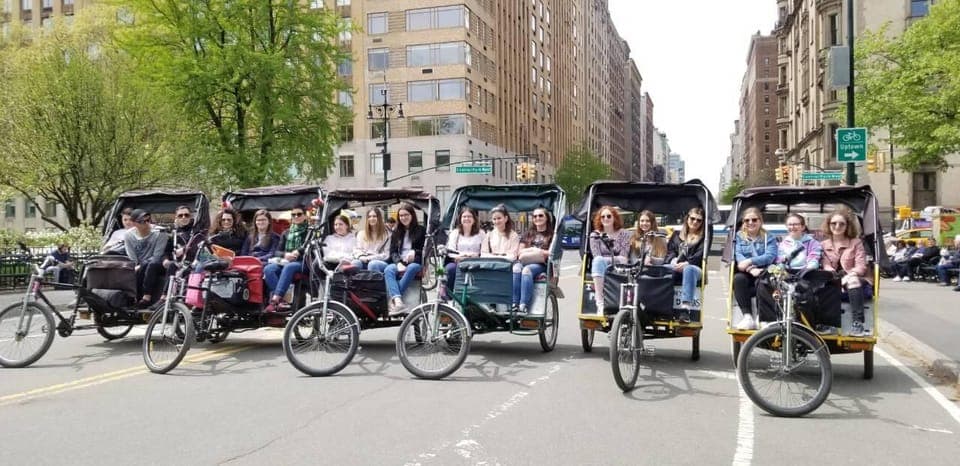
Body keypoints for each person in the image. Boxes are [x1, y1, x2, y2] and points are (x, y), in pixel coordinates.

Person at [756, 213, 824, 330]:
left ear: (803, 227)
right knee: (763, 281)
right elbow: (780, 261)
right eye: (790, 224)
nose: (793, 227)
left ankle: (810, 325)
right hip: (786, 273)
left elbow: (814, 260)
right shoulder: (782, 244)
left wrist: (805, 270)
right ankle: (767, 319)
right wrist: (780, 269)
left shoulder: (813, 243)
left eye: (796, 224)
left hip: (805, 273)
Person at [367, 203, 426, 316]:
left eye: (406, 215)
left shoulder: (421, 230)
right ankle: (398, 302)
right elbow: (393, 251)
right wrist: (398, 262)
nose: (403, 218)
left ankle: (392, 299)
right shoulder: (396, 232)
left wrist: (416, 252)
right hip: (399, 261)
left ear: (412, 215)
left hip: (414, 262)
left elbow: (426, 249)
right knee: (389, 269)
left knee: (413, 267)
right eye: (401, 215)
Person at [820, 209, 871, 336]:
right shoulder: (823, 244)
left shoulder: (856, 242)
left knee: (852, 281)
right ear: (828, 225)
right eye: (834, 223)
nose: (837, 226)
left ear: (847, 226)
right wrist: (833, 275)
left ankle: (858, 323)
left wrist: (848, 277)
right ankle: (826, 323)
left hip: (854, 277)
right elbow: (825, 264)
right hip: (833, 277)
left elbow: (861, 267)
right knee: (821, 283)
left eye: (842, 224)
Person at [732, 207, 778, 330]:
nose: (750, 223)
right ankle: (747, 316)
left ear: (760, 221)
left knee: (763, 281)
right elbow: (739, 257)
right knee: (738, 279)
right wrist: (750, 269)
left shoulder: (769, 237)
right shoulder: (738, 237)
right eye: (747, 220)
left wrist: (750, 261)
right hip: (747, 272)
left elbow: (769, 256)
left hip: (763, 271)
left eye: (754, 220)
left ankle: (761, 317)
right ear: (743, 222)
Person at [263, 206, 310, 312]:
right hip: (286, 261)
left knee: (289, 267)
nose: (296, 217)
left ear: (305, 216)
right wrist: (285, 255)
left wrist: (298, 252)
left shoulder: (309, 231)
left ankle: (275, 299)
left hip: (303, 262)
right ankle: (282, 301)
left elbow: (309, 245)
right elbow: (277, 251)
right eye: (294, 215)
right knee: (268, 269)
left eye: (299, 214)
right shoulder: (286, 232)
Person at [587, 206, 633, 313]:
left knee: (600, 261)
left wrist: (608, 259)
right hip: (601, 267)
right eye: (603, 217)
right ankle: (600, 302)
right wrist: (612, 259)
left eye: (608, 216)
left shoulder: (624, 234)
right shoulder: (595, 235)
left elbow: (624, 257)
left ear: (614, 218)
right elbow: (596, 255)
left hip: (620, 267)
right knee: (598, 261)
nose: (606, 219)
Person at [666, 207, 706, 323]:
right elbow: (670, 252)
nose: (695, 222)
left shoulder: (703, 237)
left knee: (688, 269)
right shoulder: (676, 235)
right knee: (660, 269)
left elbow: (700, 254)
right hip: (675, 266)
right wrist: (673, 261)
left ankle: (685, 309)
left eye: (699, 220)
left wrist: (687, 263)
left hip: (694, 268)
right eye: (692, 218)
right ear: (687, 218)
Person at [124, 209, 169, 308]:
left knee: (149, 264)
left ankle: (146, 297)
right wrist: (135, 265)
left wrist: (141, 265)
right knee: (138, 267)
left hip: (157, 262)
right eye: (142, 221)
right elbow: (131, 256)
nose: (146, 223)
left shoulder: (160, 232)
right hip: (141, 264)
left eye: (148, 220)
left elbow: (158, 254)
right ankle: (133, 299)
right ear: (134, 223)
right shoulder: (129, 235)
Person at [513, 207, 553, 314]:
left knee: (527, 270)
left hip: (540, 264)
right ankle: (514, 303)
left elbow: (550, 253)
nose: (537, 218)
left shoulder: (551, 234)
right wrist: (534, 250)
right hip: (525, 260)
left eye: (540, 215)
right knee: (516, 268)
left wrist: (537, 251)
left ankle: (523, 305)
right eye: (535, 216)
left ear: (546, 218)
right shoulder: (528, 233)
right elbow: (520, 252)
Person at [441, 207, 484, 300]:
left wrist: (475, 256)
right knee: (449, 269)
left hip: (476, 262)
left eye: (469, 216)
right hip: (458, 261)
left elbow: (484, 250)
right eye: (464, 216)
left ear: (474, 219)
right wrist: (460, 256)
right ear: (460, 219)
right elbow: (450, 250)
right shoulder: (455, 233)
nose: (467, 219)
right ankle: (448, 297)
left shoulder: (481, 233)